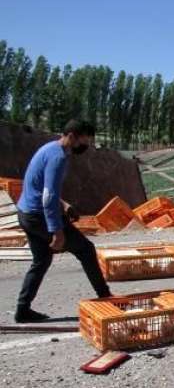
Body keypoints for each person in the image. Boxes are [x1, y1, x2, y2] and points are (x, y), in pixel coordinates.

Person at [15, 119, 112, 323]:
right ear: (72, 136)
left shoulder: (49, 149)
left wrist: (64, 205)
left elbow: (41, 187)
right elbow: (48, 196)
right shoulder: (58, 158)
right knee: (86, 249)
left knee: (41, 260)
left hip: (26, 213)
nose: (87, 145)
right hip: (38, 215)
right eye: (85, 140)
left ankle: (22, 310)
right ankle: (105, 296)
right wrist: (57, 231)